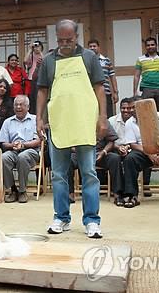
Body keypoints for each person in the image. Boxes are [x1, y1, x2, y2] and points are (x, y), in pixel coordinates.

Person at [37, 19, 108, 239]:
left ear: (77, 36)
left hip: (85, 121)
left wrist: (102, 117)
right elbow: (42, 91)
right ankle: (61, 217)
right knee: (59, 174)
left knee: (89, 173)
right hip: (58, 121)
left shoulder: (89, 57)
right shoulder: (48, 60)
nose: (65, 44)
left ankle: (92, 220)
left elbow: (99, 88)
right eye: (61, 40)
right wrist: (39, 118)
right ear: (56, 38)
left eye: (69, 39)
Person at [0, 95, 40, 204]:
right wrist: (12, 145)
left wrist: (24, 145)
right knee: (3, 158)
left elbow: (38, 140)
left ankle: (22, 191)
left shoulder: (35, 120)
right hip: (13, 150)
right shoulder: (8, 122)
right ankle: (12, 190)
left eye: (21, 105)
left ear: (28, 107)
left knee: (23, 157)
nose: (18, 107)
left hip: (31, 150)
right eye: (16, 105)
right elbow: (3, 143)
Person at [133, 37, 159, 113]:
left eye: (152, 44)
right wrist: (135, 91)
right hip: (147, 88)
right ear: (145, 47)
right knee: (147, 112)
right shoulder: (140, 59)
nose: (150, 47)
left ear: (156, 46)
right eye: (148, 45)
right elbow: (136, 76)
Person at [108, 97, 134, 205]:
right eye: (123, 108)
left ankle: (131, 192)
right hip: (115, 148)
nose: (126, 110)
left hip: (132, 148)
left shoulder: (136, 121)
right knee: (115, 159)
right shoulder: (112, 120)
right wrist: (118, 147)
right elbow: (108, 140)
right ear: (120, 108)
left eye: (129, 108)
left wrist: (128, 147)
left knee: (134, 158)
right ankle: (118, 193)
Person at [88, 39, 118, 117]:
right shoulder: (85, 61)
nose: (92, 48)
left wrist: (115, 92)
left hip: (106, 93)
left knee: (108, 116)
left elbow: (112, 76)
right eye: (90, 46)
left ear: (98, 47)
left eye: (94, 46)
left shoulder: (106, 60)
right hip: (91, 94)